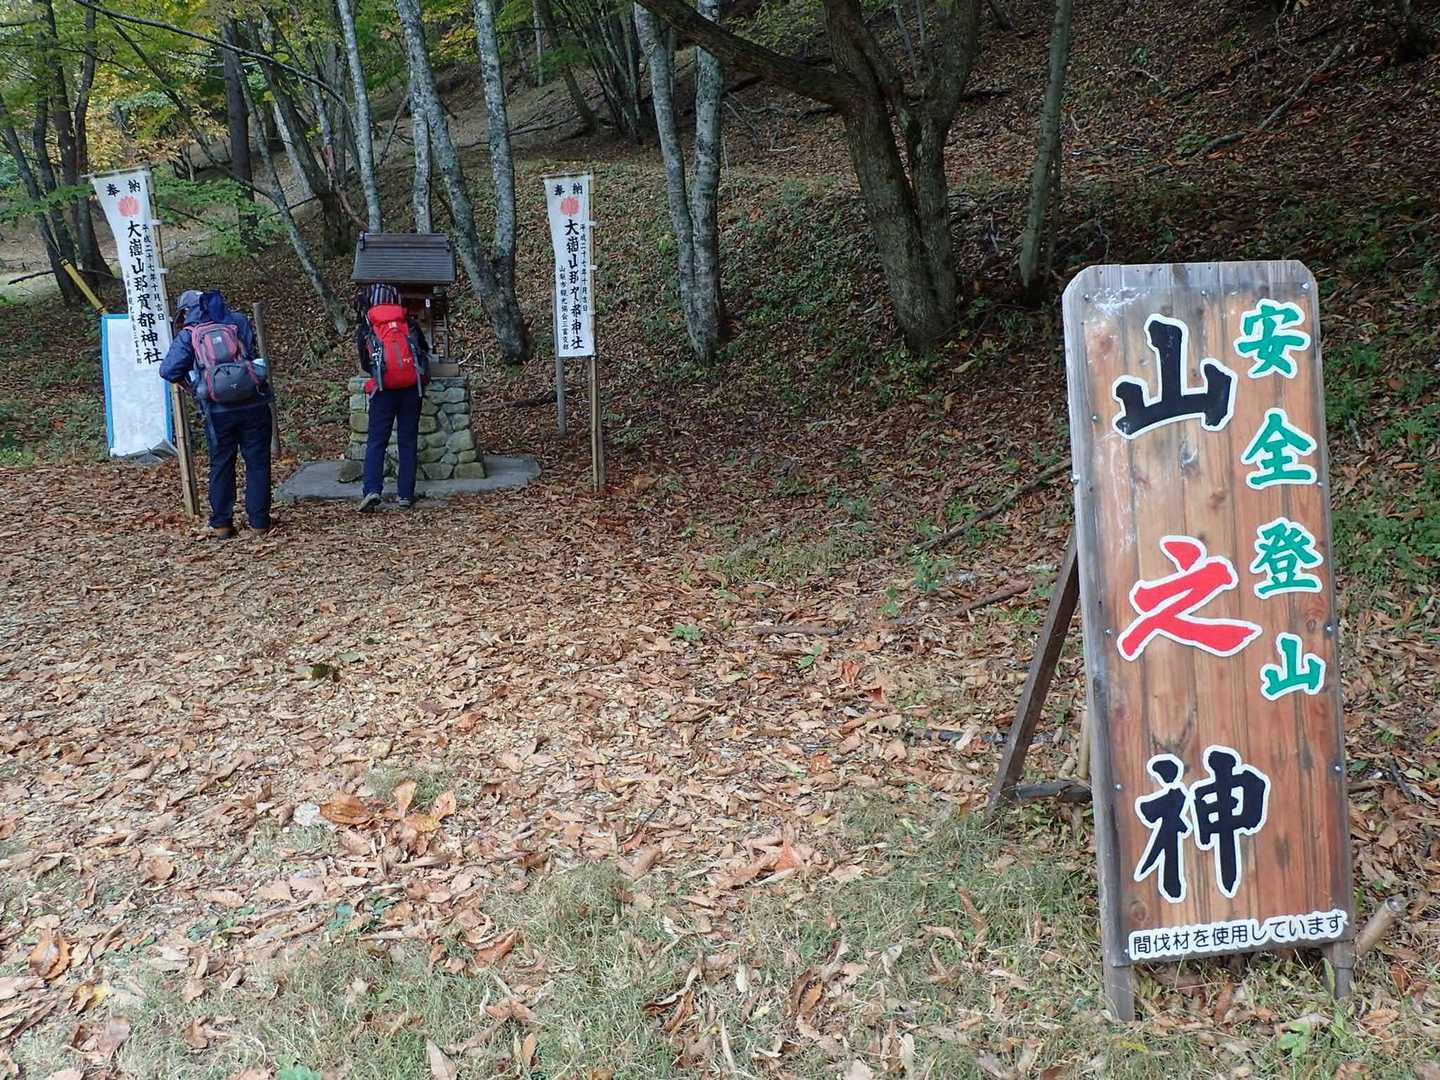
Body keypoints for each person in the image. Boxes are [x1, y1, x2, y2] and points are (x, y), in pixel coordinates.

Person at [161, 289, 273, 539]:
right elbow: (251, 353)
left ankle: (222, 524)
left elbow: (168, 370)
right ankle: (259, 523)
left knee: (221, 463)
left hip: (217, 409)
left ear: (186, 312)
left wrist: (193, 388)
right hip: (253, 403)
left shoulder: (189, 334)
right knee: (257, 462)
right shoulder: (237, 321)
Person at [355, 283, 430, 512]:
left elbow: (365, 362)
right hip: (411, 389)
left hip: (383, 390)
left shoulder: (368, 326)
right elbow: (423, 350)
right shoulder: (409, 322)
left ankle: (372, 490)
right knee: (408, 441)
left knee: (377, 441)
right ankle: (405, 494)